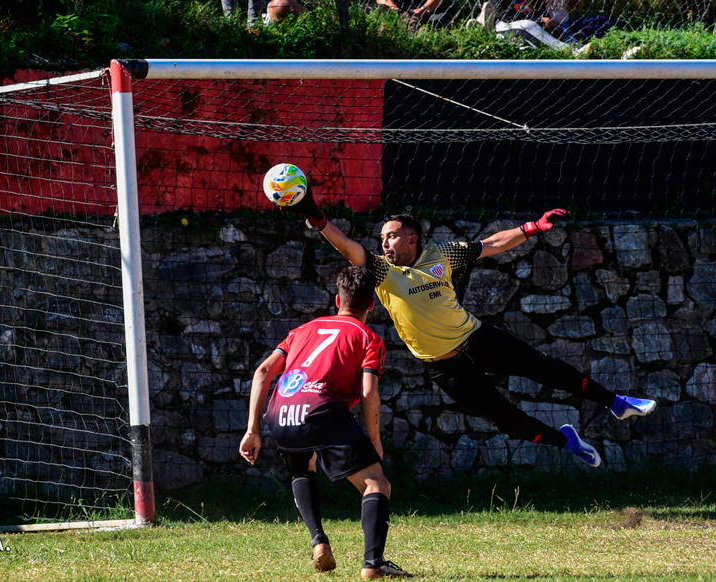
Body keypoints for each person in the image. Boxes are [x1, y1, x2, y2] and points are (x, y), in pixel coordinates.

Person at [280, 193, 656, 468]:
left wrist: (532, 228)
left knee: (551, 370)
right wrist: (313, 211)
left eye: (391, 236)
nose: (384, 243)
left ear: (412, 237)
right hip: (444, 367)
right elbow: (346, 245)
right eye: (381, 239)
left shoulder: (441, 256)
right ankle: (566, 441)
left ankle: (618, 403)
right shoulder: (381, 270)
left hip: (477, 339)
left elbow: (491, 244)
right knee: (508, 421)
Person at [239, 266, 412, 579]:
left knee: (303, 469)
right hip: (322, 410)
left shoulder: (302, 330)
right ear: (372, 304)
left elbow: (263, 372)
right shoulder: (368, 337)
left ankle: (319, 542)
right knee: (376, 483)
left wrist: (253, 430)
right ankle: (373, 565)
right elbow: (369, 391)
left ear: (337, 299)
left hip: (281, 412)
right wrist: (374, 439)